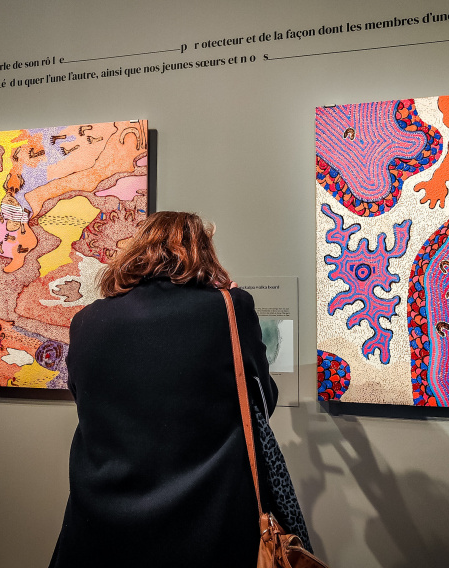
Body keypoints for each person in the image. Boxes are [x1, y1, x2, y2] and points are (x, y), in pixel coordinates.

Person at [49, 211, 278, 567]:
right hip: (208, 523)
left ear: (137, 251)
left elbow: (86, 404)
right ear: (203, 252)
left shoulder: (86, 321)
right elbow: (262, 403)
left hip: (103, 524)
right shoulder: (231, 308)